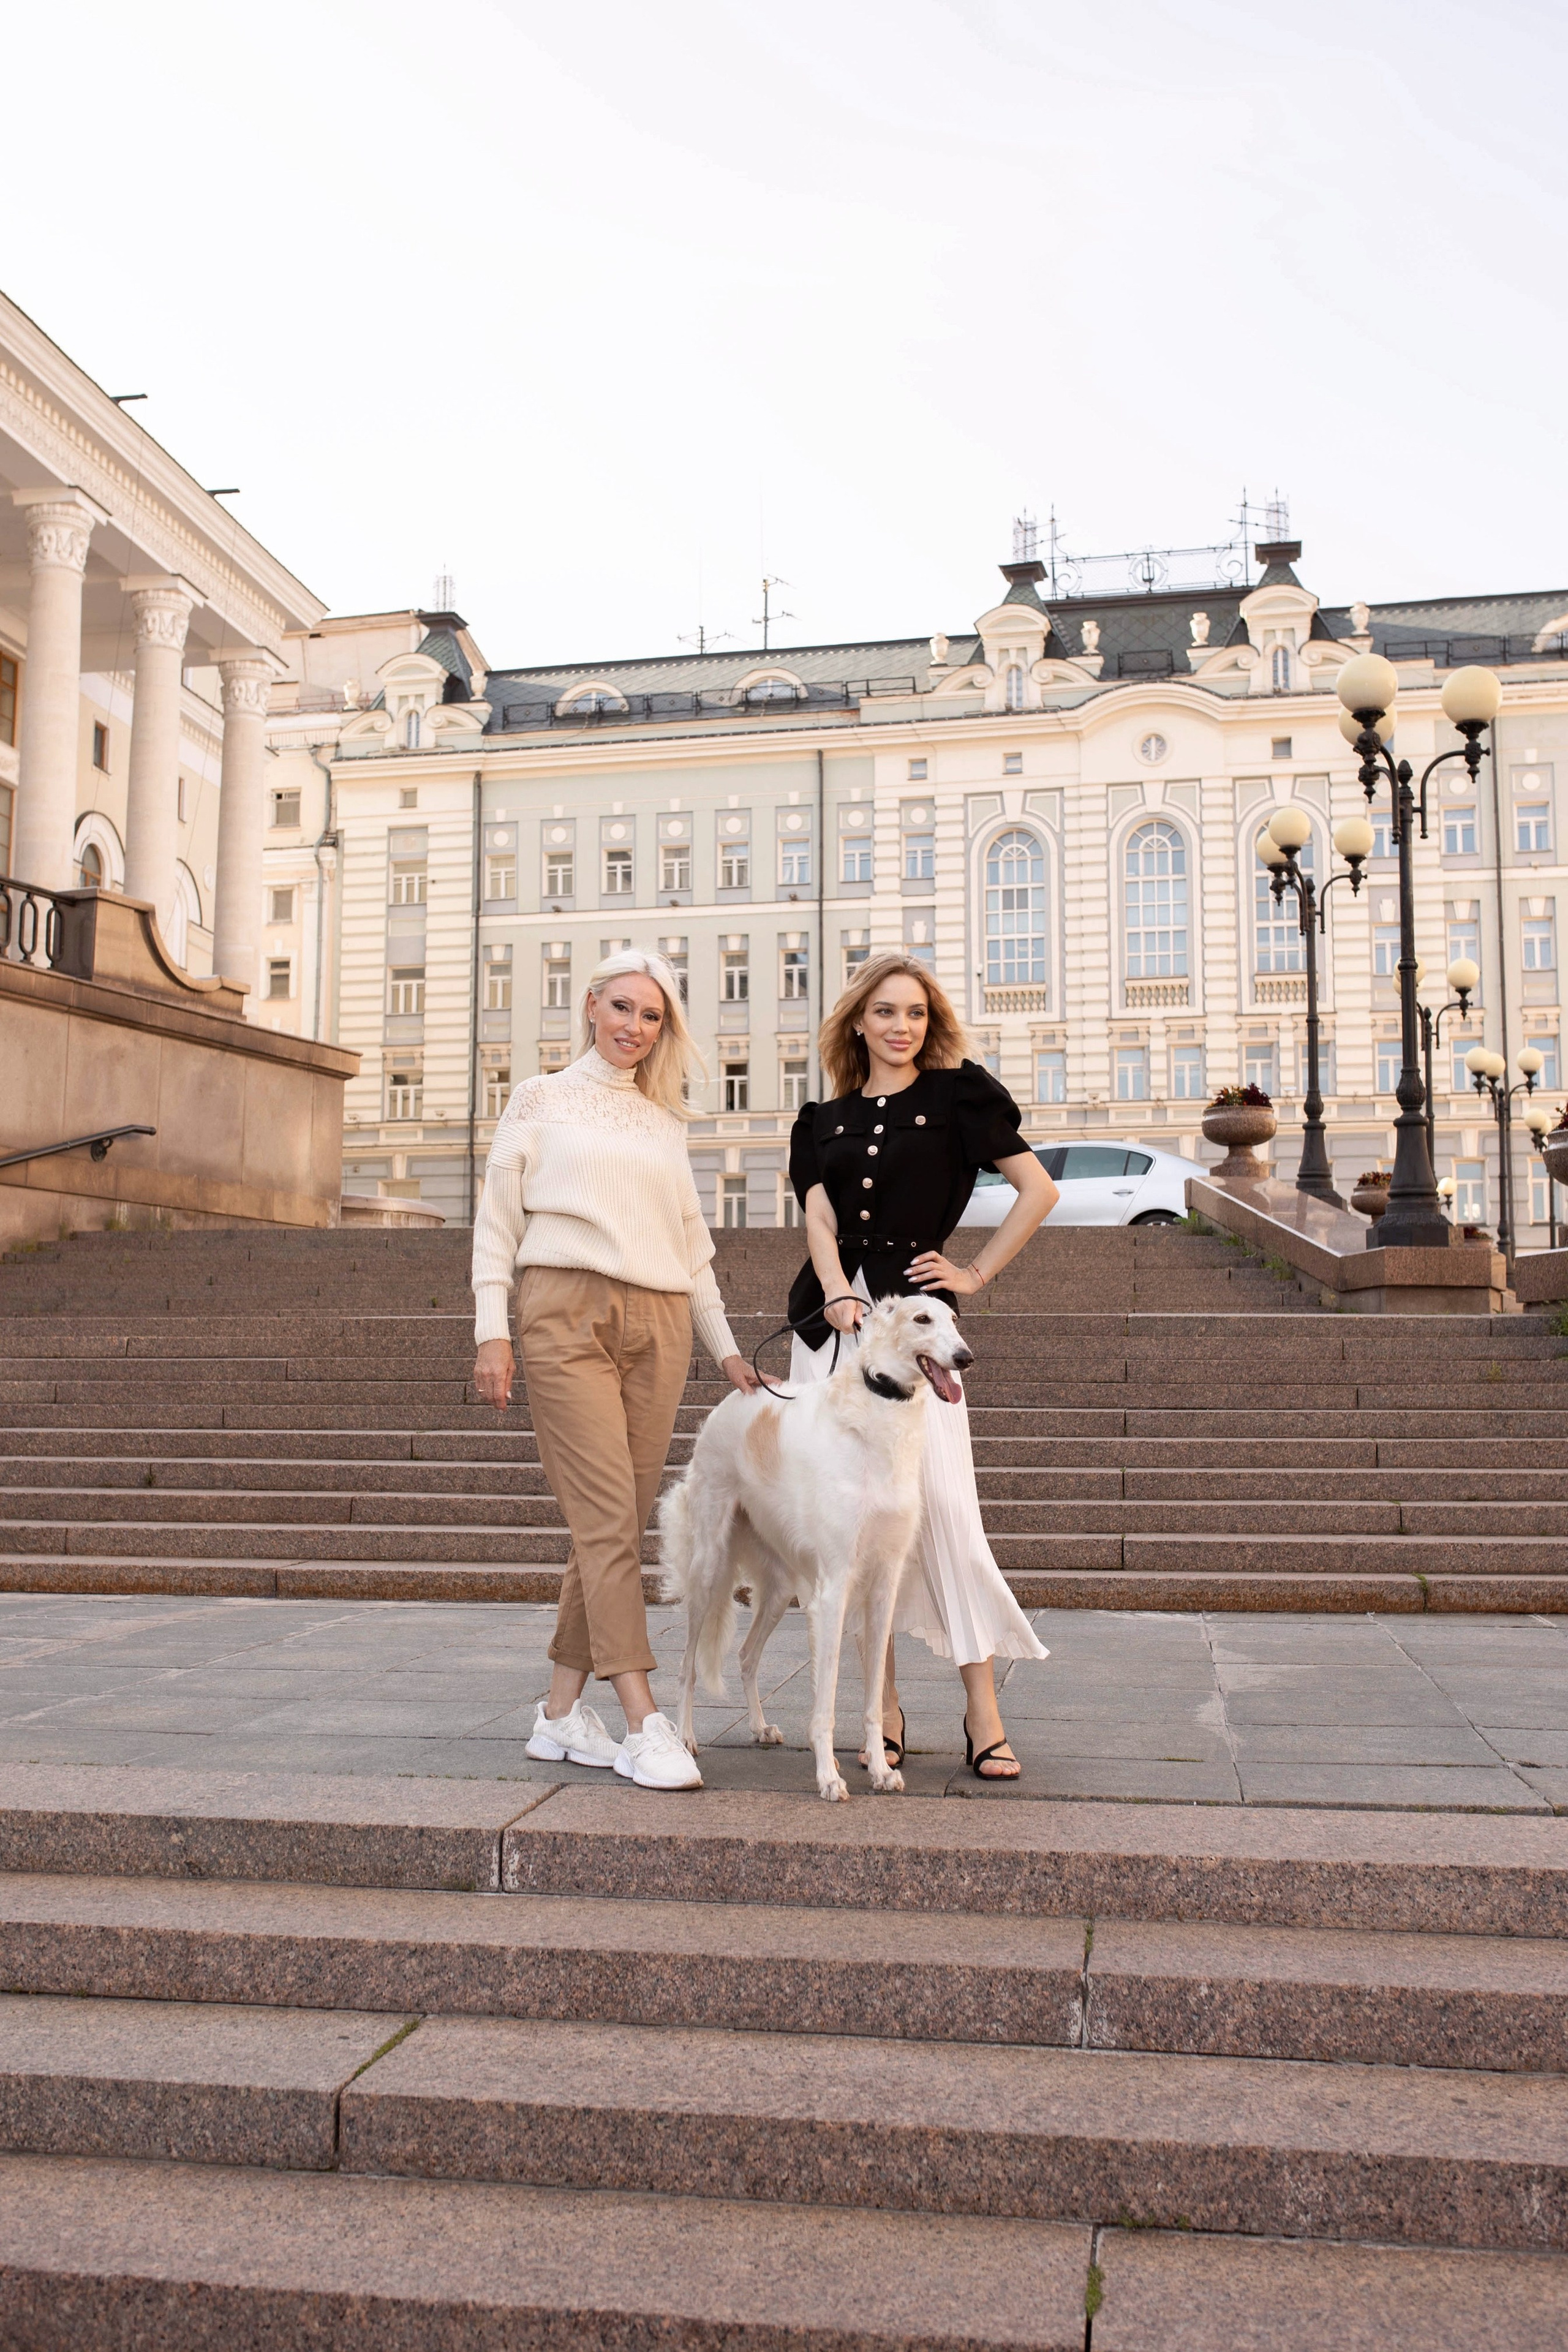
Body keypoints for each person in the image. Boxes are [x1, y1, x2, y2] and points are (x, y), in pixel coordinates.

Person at [472, 948, 760, 1790]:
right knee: (605, 1526)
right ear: (591, 1005)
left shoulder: (665, 1121)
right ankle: (642, 1718)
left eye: (653, 1016)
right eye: (624, 1008)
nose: (636, 1027)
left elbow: (694, 1250)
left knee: (614, 1527)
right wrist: (494, 1331)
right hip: (564, 1312)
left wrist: (729, 1350)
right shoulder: (540, 1097)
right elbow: (496, 1224)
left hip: (662, 1323)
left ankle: (560, 1714)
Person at [788, 954, 1058, 1778]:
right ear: (858, 1023)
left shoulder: (957, 1097)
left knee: (941, 1507)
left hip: (917, 1334)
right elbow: (819, 1217)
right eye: (884, 1012)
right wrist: (836, 1292)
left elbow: (1037, 1190)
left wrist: (975, 1274)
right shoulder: (820, 1119)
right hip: (832, 1338)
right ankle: (884, 1712)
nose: (900, 1026)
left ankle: (984, 1711)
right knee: (852, 1527)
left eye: (914, 1013)